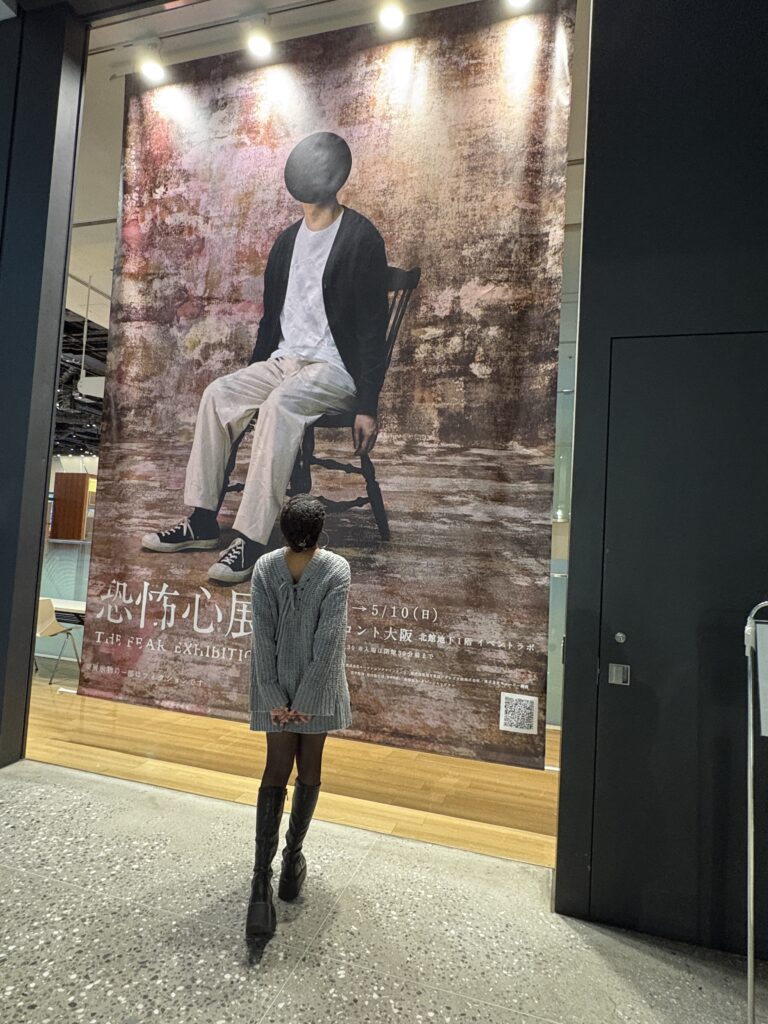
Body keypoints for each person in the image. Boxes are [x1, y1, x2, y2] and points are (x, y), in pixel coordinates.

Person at [141, 131, 389, 583]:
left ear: (334, 178)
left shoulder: (360, 237)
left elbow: (374, 329)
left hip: (335, 371)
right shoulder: (286, 243)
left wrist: (368, 404)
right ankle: (200, 521)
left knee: (280, 405)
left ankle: (252, 541)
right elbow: (272, 319)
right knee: (219, 394)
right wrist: (254, 371)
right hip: (283, 362)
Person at [245, 494, 352, 939]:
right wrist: (307, 699)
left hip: (277, 691)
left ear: (282, 530)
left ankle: (260, 884)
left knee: (274, 773)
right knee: (309, 770)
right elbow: (329, 643)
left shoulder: (265, 567)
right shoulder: (336, 569)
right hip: (317, 690)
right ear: (322, 529)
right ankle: (291, 865)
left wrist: (273, 694)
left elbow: (261, 636)